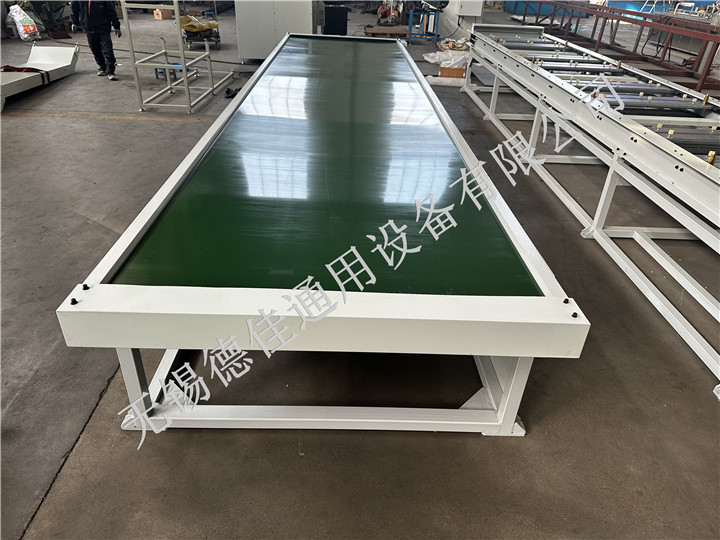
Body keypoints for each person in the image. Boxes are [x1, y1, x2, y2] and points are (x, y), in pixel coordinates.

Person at [71, 1, 122, 80]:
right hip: (89, 28)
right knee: (95, 49)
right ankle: (103, 67)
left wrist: (116, 26)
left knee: (107, 50)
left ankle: (110, 71)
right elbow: (74, 9)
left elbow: (111, 10)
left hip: (103, 28)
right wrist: (74, 22)